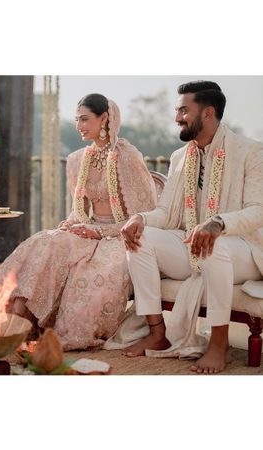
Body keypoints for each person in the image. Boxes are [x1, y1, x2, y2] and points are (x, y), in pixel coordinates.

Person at [0, 94, 157, 350]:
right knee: (46, 242)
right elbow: (78, 210)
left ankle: (60, 335)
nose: (79, 126)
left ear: (105, 118)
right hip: (87, 228)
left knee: (90, 275)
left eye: (85, 119)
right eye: (77, 119)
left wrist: (100, 232)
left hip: (121, 236)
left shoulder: (127, 155)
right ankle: (18, 319)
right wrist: (72, 225)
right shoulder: (77, 159)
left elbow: (144, 215)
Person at [120, 81, 263, 374]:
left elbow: (258, 210)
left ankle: (219, 343)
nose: (177, 118)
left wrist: (219, 223)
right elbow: (166, 212)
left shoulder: (251, 151)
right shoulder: (179, 157)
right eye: (177, 111)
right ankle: (157, 331)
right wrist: (140, 219)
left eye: (184, 110)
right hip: (191, 245)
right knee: (140, 238)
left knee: (215, 243)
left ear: (208, 113)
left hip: (243, 248)